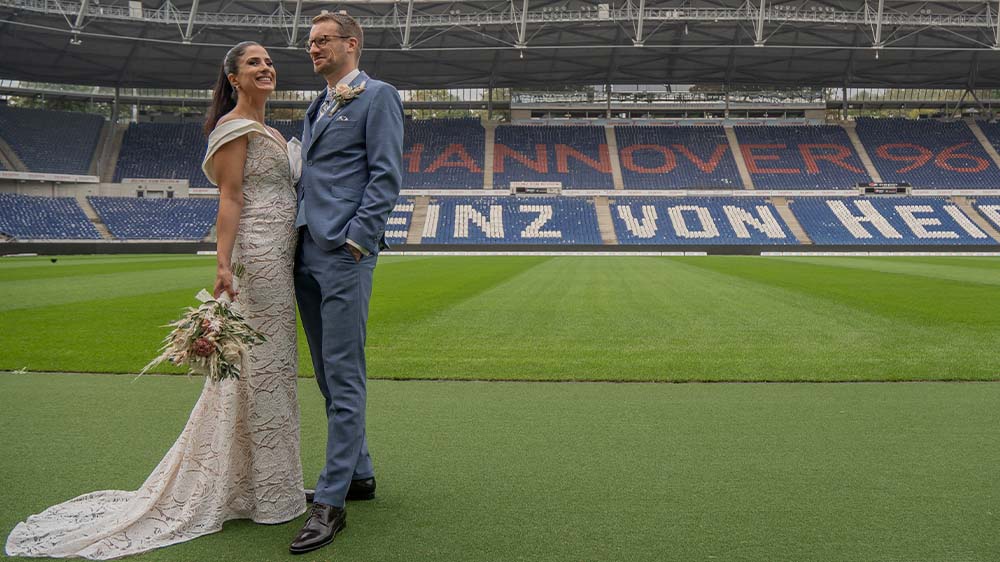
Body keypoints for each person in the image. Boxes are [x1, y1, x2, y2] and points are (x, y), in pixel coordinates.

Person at [4, 41, 305, 559]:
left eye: (268, 61)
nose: (265, 67)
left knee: (273, 368)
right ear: (233, 77)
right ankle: (260, 491)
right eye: (253, 62)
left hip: (283, 256)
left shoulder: (273, 131)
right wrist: (222, 263)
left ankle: (268, 486)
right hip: (257, 256)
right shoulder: (234, 128)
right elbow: (231, 198)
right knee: (259, 368)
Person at [289, 11, 403, 556]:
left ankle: (330, 502)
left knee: (345, 372)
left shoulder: (377, 96)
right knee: (327, 372)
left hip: (342, 252)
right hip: (305, 249)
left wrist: (360, 239)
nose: (313, 49)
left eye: (322, 41)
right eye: (310, 43)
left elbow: (386, 174)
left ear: (351, 44)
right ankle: (358, 475)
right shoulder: (319, 103)